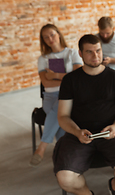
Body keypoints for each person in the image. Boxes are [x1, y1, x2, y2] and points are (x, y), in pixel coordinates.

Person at [54, 35, 115, 195]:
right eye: (89, 52)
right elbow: (63, 116)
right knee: (65, 179)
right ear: (80, 53)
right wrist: (77, 131)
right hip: (78, 133)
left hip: (112, 130)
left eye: (98, 51)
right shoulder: (70, 80)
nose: (96, 56)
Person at [29, 24, 83, 167]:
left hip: (70, 96)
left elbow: (78, 79)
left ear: (59, 34)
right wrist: (65, 78)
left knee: (58, 111)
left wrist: (56, 75)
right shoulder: (43, 58)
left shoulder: (72, 53)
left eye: (52, 34)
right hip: (50, 97)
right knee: (58, 116)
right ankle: (66, 153)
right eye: (46, 37)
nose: (50, 39)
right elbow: (46, 84)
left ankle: (42, 147)